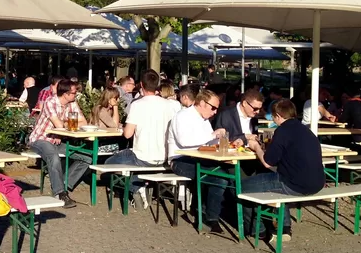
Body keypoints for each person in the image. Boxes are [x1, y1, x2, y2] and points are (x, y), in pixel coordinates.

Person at [242, 99, 325, 246]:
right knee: (276, 188)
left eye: (273, 116)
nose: (273, 119)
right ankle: (284, 228)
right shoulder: (306, 130)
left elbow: (268, 162)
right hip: (317, 183)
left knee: (242, 187)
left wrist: (256, 148)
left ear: (278, 116)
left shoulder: (282, 130)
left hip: (294, 184)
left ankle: (257, 230)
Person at [106, 70, 177, 200]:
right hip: (165, 156)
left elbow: (127, 134)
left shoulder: (137, 104)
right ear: (158, 85)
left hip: (142, 157)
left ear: (141, 85)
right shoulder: (170, 105)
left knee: (108, 164)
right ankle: (140, 184)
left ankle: (135, 187)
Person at [167, 89, 230, 233]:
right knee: (217, 177)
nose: (215, 112)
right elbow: (184, 141)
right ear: (202, 103)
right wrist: (212, 134)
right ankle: (207, 216)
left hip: (200, 158)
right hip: (180, 160)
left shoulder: (204, 120)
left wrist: (220, 140)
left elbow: (208, 141)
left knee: (223, 175)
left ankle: (208, 216)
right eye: (213, 108)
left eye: (216, 109)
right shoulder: (182, 116)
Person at [27, 79, 90, 208]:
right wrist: (66, 125)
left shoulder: (72, 103)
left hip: (58, 140)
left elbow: (84, 122)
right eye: (73, 93)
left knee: (87, 158)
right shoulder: (51, 102)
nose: (75, 95)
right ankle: (59, 192)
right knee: (53, 156)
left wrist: (62, 128)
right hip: (41, 138)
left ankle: (64, 183)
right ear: (65, 93)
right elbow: (59, 125)